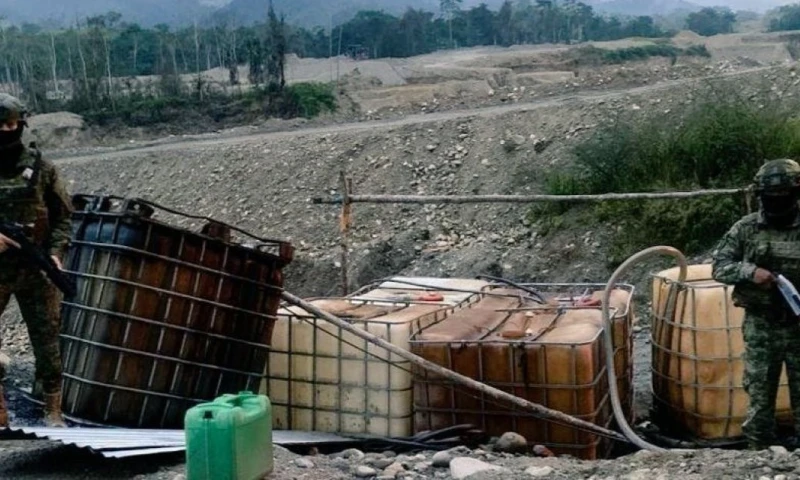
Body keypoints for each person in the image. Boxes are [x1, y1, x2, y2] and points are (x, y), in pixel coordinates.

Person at [711, 158, 800, 450]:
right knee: (760, 394)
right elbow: (719, 266)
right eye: (770, 198)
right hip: (762, 326)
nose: (776, 204)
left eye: (782, 197)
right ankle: (757, 455)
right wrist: (751, 272)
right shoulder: (746, 228)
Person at [0, 93, 72, 428]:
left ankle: (53, 410)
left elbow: (62, 218)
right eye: (0, 125)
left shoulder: (42, 169)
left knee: (47, 342)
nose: (6, 130)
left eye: (11, 124)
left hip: (36, 269)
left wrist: (56, 254)